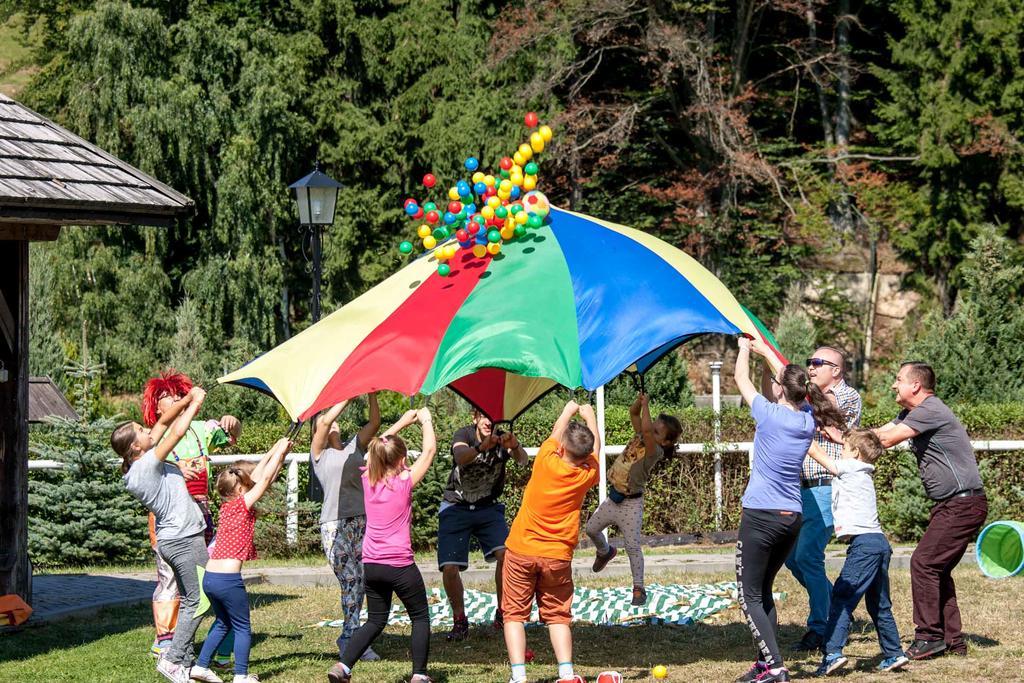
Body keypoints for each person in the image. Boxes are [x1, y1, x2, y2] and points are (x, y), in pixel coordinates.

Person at [733, 337, 847, 683]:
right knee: (763, 590)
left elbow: (741, 380)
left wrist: (742, 350)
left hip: (761, 515)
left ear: (781, 390)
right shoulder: (807, 419)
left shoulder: (768, 415)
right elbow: (790, 381)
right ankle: (765, 663)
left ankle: (776, 665)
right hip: (791, 518)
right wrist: (765, 351)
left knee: (748, 595)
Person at [874, 362, 987, 660]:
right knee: (938, 569)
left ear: (915, 386)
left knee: (923, 564)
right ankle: (952, 640)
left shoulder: (930, 409)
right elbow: (877, 433)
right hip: (953, 504)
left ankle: (928, 637)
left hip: (962, 503)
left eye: (898, 380)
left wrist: (848, 437)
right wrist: (834, 431)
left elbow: (885, 440)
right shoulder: (911, 413)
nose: (893, 385)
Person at [328, 408, 437, 683]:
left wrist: (401, 422)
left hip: (373, 565)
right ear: (402, 460)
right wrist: (425, 420)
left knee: (375, 621)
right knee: (420, 618)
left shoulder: (368, 480)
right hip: (400, 566)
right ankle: (419, 675)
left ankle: (343, 667)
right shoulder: (404, 482)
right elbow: (430, 452)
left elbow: (377, 449)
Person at [141, 370, 242, 662]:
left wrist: (234, 424)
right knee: (168, 576)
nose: (172, 399)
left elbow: (232, 434)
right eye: (164, 396)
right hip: (168, 518)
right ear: (155, 407)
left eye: (175, 393)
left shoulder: (201, 428)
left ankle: (212, 635)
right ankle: (165, 639)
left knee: (204, 578)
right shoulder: (153, 436)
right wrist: (174, 471)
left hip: (200, 513)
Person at [113, 387, 211, 683]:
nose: (147, 430)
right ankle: (171, 659)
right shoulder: (146, 465)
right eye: (141, 431)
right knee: (201, 599)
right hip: (183, 538)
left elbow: (163, 424)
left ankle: (186, 662)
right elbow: (175, 433)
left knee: (190, 598)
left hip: (176, 539)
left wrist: (182, 402)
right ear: (135, 448)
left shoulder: (139, 464)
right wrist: (194, 404)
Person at [502, 400, 600, 683]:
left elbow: (557, 431)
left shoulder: (546, 460)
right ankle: (566, 672)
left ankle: (519, 676)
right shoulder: (586, 475)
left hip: (521, 548)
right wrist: (591, 416)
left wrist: (568, 410)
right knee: (558, 615)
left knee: (513, 615)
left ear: (562, 448)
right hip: (557, 555)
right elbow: (595, 451)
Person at [190, 438, 294, 683]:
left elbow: (258, 477)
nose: (251, 487)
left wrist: (276, 450)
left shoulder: (227, 507)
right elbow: (264, 479)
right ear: (239, 491)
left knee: (223, 623)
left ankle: (201, 667)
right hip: (227, 580)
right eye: (246, 486)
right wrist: (278, 451)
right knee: (242, 627)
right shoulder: (242, 504)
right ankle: (241, 676)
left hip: (211, 578)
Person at [806, 430, 908, 676]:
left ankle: (832, 653)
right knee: (879, 604)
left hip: (864, 546)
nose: (840, 452)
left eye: (844, 448)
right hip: (879, 544)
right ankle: (894, 653)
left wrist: (799, 429)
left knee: (841, 598)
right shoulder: (864, 473)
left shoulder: (850, 467)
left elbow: (819, 454)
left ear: (855, 453)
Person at [785, 347, 862, 653]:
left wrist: (799, 386)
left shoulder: (847, 396)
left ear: (837, 370)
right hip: (800, 488)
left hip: (826, 486)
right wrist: (770, 368)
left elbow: (825, 412)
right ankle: (837, 611)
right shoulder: (808, 397)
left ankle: (821, 626)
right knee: (791, 558)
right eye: (810, 362)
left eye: (818, 363)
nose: (811, 367)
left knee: (807, 557)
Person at [585, 392, 681, 605]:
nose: (650, 431)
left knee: (632, 546)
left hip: (631, 504)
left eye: (657, 432)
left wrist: (647, 405)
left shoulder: (654, 450)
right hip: (614, 500)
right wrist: (639, 401)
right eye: (653, 427)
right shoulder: (641, 436)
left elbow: (646, 429)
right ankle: (605, 551)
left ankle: (639, 587)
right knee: (591, 529)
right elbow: (633, 413)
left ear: (665, 442)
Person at [440, 409, 528, 640]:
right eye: (484, 416)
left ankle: (503, 613)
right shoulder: (464, 434)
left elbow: (523, 461)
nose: (489, 421)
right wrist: (481, 447)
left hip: (488, 508)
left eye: (493, 417)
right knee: (449, 567)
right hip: (456, 506)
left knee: (506, 556)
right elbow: (461, 457)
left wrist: (515, 445)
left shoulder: (502, 438)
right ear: (475, 418)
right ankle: (460, 620)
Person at [312, 394, 383, 664]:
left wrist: (372, 394)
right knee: (351, 580)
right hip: (334, 525)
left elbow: (375, 422)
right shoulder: (320, 455)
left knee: (362, 580)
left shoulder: (354, 447)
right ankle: (354, 640)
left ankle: (351, 636)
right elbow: (325, 421)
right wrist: (346, 395)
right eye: (325, 423)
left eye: (334, 423)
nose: (331, 424)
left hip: (361, 521)